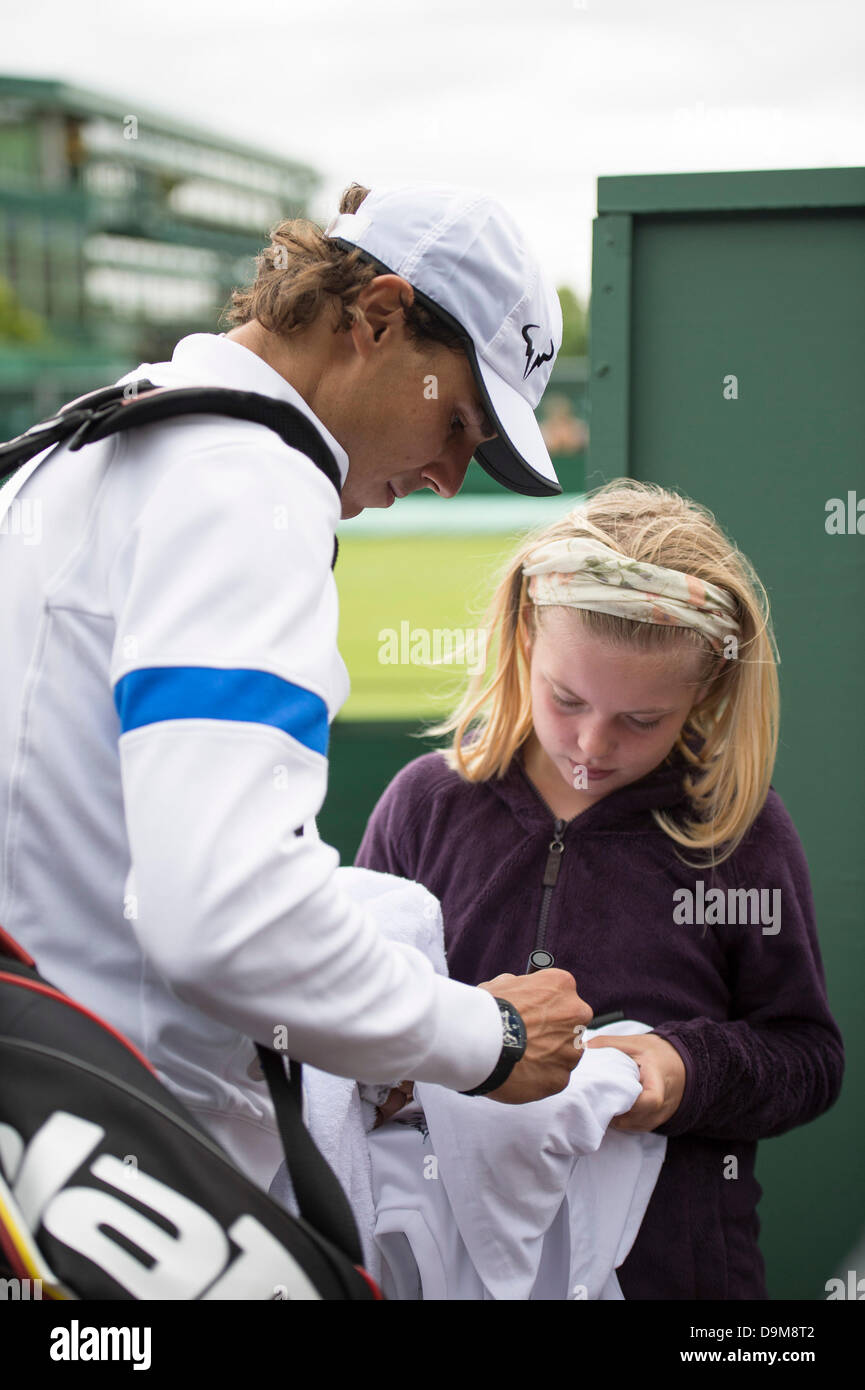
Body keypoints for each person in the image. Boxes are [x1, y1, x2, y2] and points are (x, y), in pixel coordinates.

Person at [0, 181, 592, 1196]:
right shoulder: (248, 481)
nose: (452, 474)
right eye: (457, 420)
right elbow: (224, 917)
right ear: (375, 317)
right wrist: (483, 1034)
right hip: (118, 1174)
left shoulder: (95, 438)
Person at [355, 478, 845, 1299]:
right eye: (566, 699)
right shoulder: (424, 805)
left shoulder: (738, 832)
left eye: (640, 721)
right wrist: (422, 1063)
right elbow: (348, 1023)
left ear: (707, 692)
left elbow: (806, 1055)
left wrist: (683, 1069)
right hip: (442, 1265)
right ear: (521, 639)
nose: (591, 742)